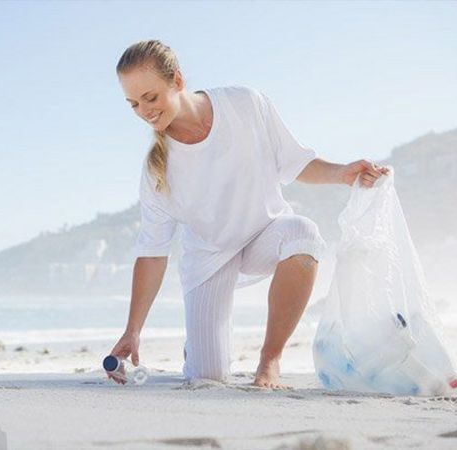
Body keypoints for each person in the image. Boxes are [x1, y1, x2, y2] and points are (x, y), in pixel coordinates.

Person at [107, 39, 389, 389]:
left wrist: (341, 172)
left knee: (303, 234)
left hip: (264, 235)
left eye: (151, 98)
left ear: (177, 81)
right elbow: (152, 252)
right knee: (207, 376)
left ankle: (270, 361)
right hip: (209, 258)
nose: (144, 111)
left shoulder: (244, 104)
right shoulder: (157, 170)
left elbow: (294, 162)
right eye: (133, 104)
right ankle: (197, 346)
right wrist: (132, 331)